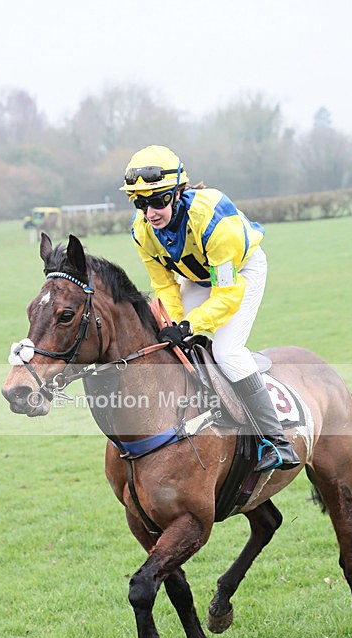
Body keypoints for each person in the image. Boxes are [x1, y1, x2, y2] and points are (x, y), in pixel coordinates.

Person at [119, 144, 300, 473]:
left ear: (178, 192)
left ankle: (278, 441)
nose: (150, 212)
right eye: (141, 202)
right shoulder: (142, 230)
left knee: (227, 351)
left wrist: (190, 325)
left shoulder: (215, 220)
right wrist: (174, 322)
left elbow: (227, 294)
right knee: (166, 338)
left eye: (158, 200)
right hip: (198, 278)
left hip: (240, 273)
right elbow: (164, 286)